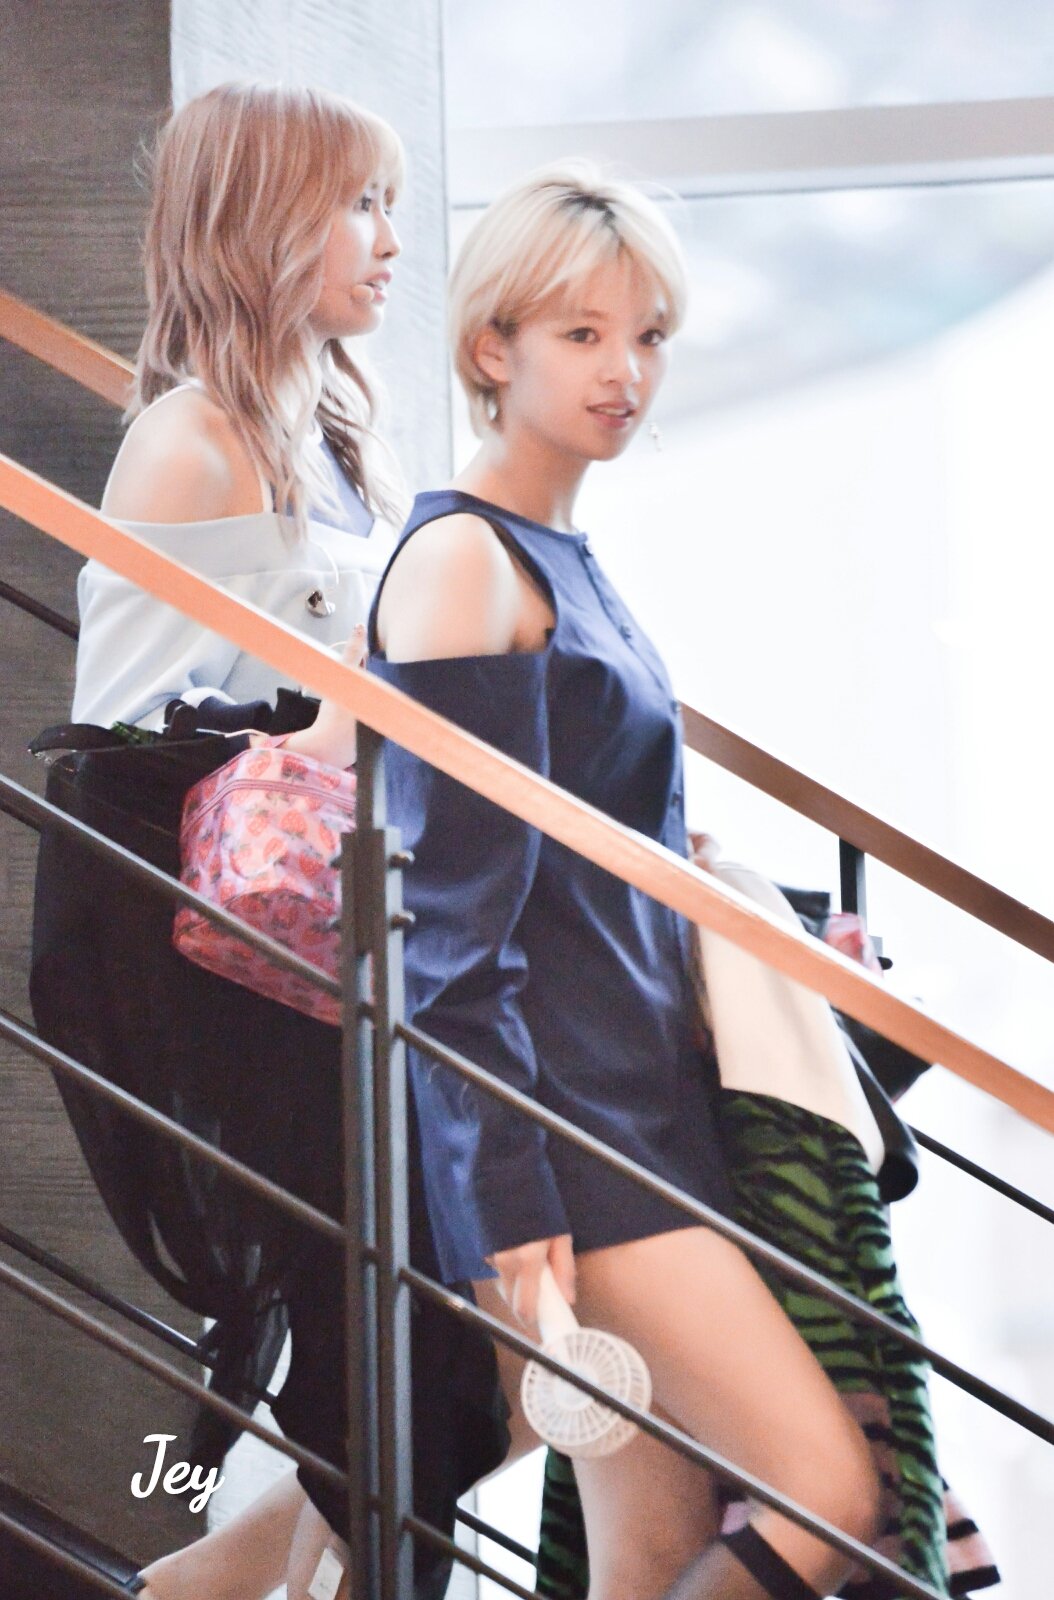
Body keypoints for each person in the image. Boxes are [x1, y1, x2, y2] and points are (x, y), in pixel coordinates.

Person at [365, 161, 952, 1599]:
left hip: (644, 1104)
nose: (623, 371)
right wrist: (505, 1199)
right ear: (491, 347)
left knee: (657, 1542)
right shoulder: (464, 562)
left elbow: (594, 858)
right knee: (826, 1490)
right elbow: (443, 931)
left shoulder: (559, 552)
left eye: (647, 337)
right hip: (574, 1136)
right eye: (580, 334)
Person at [29, 81, 504, 1600]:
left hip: (332, 937)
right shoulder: (192, 440)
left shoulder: (338, 436)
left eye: (391, 204)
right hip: (216, 950)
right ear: (259, 224)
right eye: (357, 204)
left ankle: (200, 1584)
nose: (390, 242)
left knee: (451, 1336)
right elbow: (128, 748)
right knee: (404, 1344)